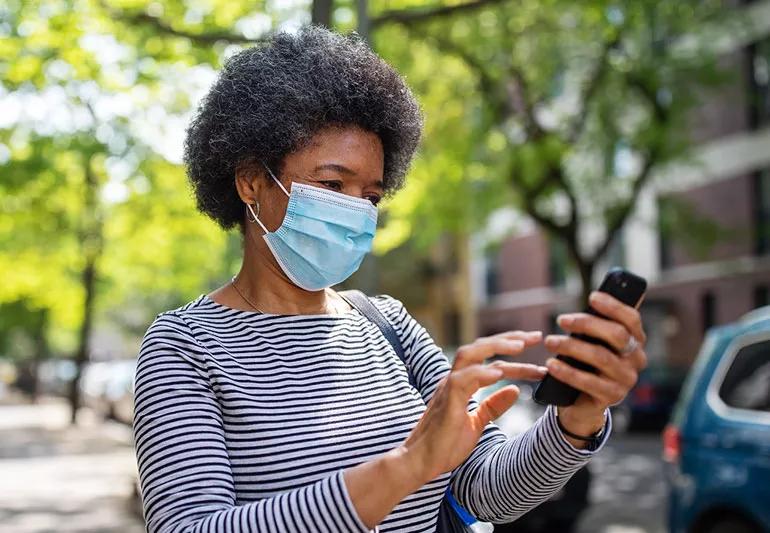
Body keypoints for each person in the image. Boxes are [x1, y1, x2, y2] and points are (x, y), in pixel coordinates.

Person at [133, 26, 648, 533]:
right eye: (332, 184)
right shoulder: (185, 347)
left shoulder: (388, 326)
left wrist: (576, 419)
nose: (355, 211)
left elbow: (488, 491)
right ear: (250, 181)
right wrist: (404, 469)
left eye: (372, 196)